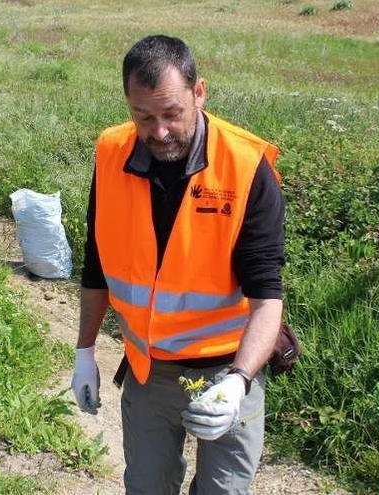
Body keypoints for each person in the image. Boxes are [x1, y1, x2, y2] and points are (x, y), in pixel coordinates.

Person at [71, 35, 285, 495]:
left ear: (199, 92)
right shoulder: (112, 153)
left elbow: (267, 300)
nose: (160, 132)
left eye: (172, 114)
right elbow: (97, 263)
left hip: (228, 371)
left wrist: (239, 382)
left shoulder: (245, 168)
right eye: (143, 117)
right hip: (151, 373)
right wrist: (85, 351)